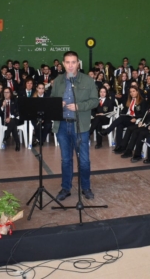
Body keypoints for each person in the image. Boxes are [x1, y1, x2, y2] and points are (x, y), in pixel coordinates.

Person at [51, 51, 98, 201]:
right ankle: (66, 188)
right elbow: (51, 99)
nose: (71, 65)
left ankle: (86, 187)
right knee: (66, 160)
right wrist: (57, 103)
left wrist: (80, 106)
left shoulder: (88, 81)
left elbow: (95, 101)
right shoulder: (57, 81)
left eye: (73, 62)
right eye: (67, 62)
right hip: (63, 126)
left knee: (83, 160)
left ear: (78, 63)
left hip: (81, 126)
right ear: (63, 64)